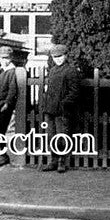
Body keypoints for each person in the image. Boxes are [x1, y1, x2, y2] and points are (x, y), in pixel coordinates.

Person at [41, 43, 80, 173]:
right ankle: (53, 160)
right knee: (51, 136)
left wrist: (64, 104)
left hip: (62, 110)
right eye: (55, 57)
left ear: (65, 56)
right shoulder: (52, 70)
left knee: (62, 135)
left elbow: (74, 92)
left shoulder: (70, 70)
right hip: (50, 109)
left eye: (60, 56)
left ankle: (62, 162)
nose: (57, 59)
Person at [0, 46, 24, 167]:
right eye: (2, 58)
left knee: (0, 131)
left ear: (11, 58)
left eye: (7, 58)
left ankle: (3, 156)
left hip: (4, 106)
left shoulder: (12, 71)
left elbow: (12, 90)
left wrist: (7, 103)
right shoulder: (1, 70)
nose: (5, 60)